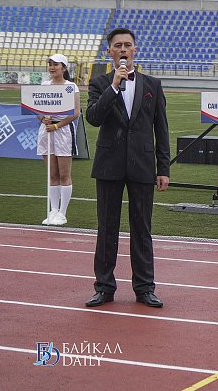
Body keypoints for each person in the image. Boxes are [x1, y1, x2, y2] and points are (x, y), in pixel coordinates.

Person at [85, 28, 170, 308]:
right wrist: (113, 87)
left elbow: (161, 129)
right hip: (108, 165)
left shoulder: (153, 85)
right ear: (109, 51)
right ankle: (104, 287)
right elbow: (94, 118)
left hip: (142, 166)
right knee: (106, 228)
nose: (123, 49)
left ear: (135, 49)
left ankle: (144, 288)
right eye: (118, 45)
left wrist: (163, 168)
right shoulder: (99, 83)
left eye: (128, 45)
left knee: (142, 228)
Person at [36, 54, 80, 226]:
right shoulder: (44, 85)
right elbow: (37, 108)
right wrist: (43, 119)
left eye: (56, 64)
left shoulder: (71, 86)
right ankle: (53, 211)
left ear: (64, 68)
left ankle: (62, 213)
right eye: (50, 64)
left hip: (62, 131)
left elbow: (75, 113)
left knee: (64, 175)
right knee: (52, 175)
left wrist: (56, 125)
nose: (52, 67)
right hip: (46, 131)